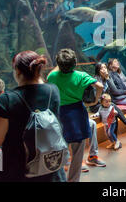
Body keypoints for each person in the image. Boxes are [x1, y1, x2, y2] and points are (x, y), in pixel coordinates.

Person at [0, 50, 66, 182]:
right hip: (50, 167)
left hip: (16, 171)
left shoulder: (7, 99)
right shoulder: (54, 91)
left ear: (17, 71)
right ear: (38, 69)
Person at [47, 48, 103, 182]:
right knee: (78, 154)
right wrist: (95, 100)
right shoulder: (81, 76)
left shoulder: (53, 77)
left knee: (60, 151)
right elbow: (100, 86)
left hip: (60, 115)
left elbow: (50, 74)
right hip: (78, 114)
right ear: (75, 63)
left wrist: (59, 64)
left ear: (59, 64)